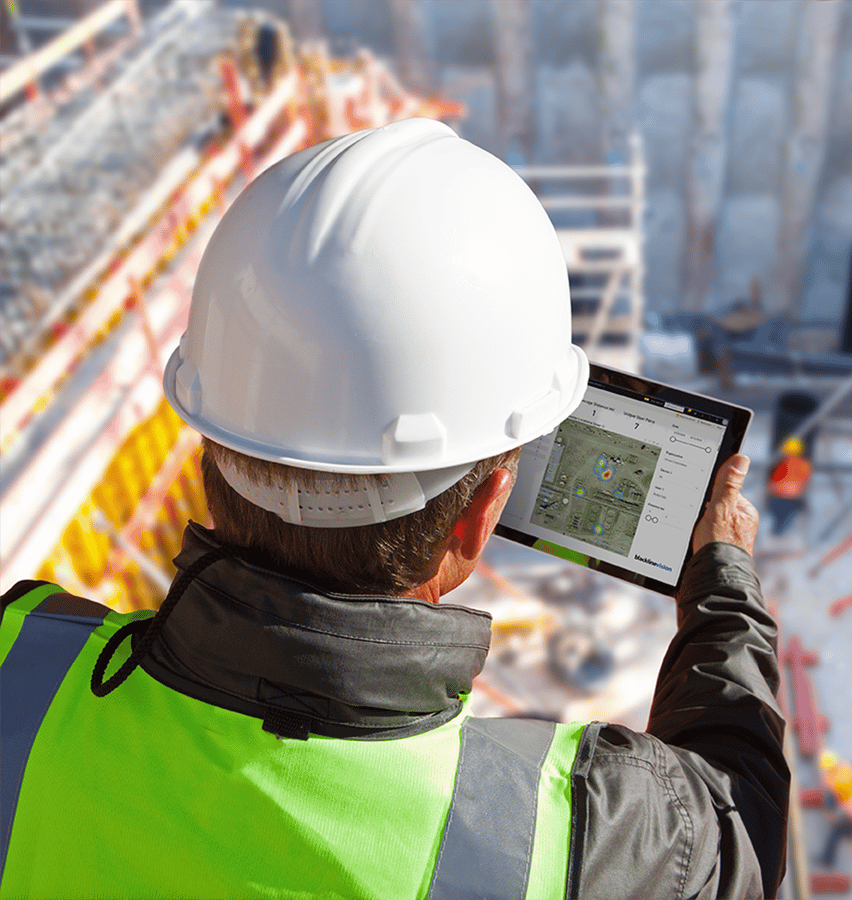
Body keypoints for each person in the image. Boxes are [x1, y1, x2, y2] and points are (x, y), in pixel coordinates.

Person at [0, 119, 788, 900]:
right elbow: (738, 818)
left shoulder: (21, 658)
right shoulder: (579, 838)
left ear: (211, 444)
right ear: (478, 514)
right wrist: (720, 584)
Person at [765, 437, 811, 535]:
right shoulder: (805, 464)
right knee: (785, 522)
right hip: (793, 497)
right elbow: (805, 482)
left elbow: (774, 479)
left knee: (778, 521)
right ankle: (779, 535)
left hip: (778, 496)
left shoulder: (782, 463)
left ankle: (776, 535)